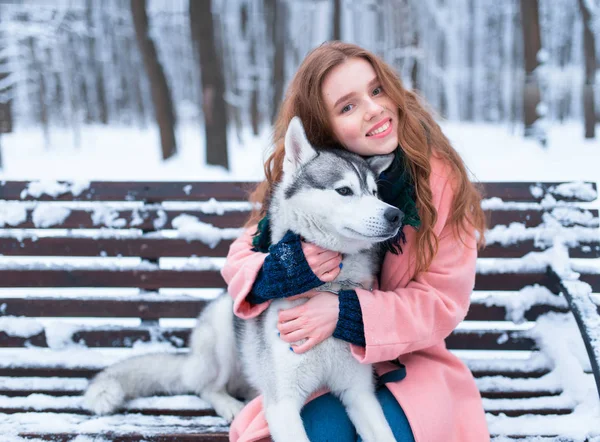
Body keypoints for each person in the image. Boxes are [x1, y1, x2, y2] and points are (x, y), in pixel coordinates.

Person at [220, 41, 490, 442]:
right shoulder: (315, 174)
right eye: (348, 106)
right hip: (320, 367)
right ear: (324, 126)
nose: (374, 108)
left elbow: (441, 301)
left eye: (377, 90)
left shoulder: (440, 183)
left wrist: (347, 311)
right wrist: (284, 269)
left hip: (408, 365)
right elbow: (242, 258)